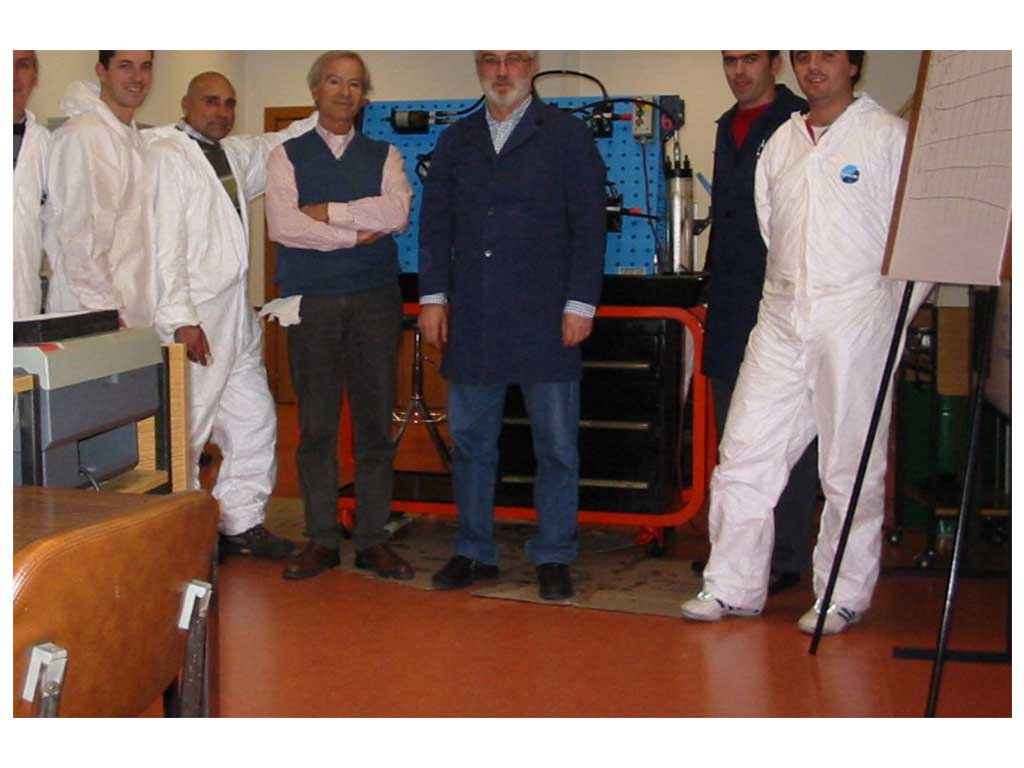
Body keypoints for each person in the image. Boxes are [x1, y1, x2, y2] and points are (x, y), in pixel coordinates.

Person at [682, 51, 929, 634]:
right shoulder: (782, 143)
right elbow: (773, 229)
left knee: (848, 465)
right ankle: (732, 584)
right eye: (804, 55)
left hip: (856, 316)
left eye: (828, 53)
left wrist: (883, 319)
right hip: (782, 314)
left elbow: (918, 244)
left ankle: (841, 595)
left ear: (853, 64)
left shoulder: (888, 138)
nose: (813, 65)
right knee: (744, 452)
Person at [418, 51, 606, 601]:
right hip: (474, 316)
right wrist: (432, 298)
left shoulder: (567, 136)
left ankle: (554, 553)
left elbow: (589, 225)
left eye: (515, 59)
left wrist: (581, 304)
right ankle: (474, 550)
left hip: (547, 318)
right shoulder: (457, 140)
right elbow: (435, 225)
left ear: (533, 64)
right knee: (472, 444)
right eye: (491, 60)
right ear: (478, 67)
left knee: (557, 447)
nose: (502, 71)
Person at [145, 72, 320, 559]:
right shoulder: (166, 155)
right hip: (195, 313)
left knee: (254, 418)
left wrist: (326, 113)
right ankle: (174, 536)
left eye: (229, 103)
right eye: (210, 101)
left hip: (235, 311)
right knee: (188, 423)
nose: (221, 111)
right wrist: (181, 318)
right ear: (185, 103)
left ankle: (240, 521)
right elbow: (164, 245)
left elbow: (275, 145)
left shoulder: (229, 154)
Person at [266, 51, 415, 581]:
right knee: (316, 427)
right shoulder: (285, 155)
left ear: (363, 95)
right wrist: (355, 234)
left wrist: (328, 212)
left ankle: (373, 539)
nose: (344, 92)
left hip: (376, 300)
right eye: (334, 81)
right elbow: (284, 227)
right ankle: (322, 539)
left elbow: (397, 213)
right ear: (315, 90)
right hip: (314, 303)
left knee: (375, 425)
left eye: (354, 84)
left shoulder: (385, 153)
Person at [700, 51, 815, 597]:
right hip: (728, 303)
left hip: (781, 301)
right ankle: (733, 553)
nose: (739, 71)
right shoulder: (727, 126)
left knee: (787, 437)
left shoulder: (799, 122)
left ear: (775, 64)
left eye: (751, 59)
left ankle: (786, 555)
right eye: (730, 60)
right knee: (735, 436)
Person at [44, 51, 157, 328]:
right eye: (125, 66)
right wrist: (106, 315)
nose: (137, 77)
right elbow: (81, 239)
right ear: (101, 71)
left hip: (129, 313)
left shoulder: (131, 139)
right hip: (93, 316)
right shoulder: (85, 136)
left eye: (145, 67)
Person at [14, 50, 51, 319]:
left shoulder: (45, 145)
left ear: (35, 75)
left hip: (21, 303)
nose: (13, 76)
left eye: (23, 65)